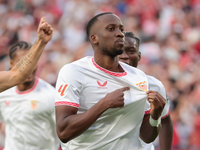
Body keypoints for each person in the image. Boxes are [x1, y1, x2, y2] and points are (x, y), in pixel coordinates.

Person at [55, 12, 166, 150]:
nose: (120, 34)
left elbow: (146, 137)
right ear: (94, 38)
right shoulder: (74, 72)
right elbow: (63, 132)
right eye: (111, 29)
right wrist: (104, 104)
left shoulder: (139, 77)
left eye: (121, 29)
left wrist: (155, 116)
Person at [0, 41, 60, 150]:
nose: (28, 68)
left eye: (32, 62)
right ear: (12, 64)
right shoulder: (3, 93)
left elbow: (62, 131)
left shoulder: (51, 94)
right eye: (22, 63)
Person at [118, 31, 173, 150]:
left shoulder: (154, 85)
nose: (124, 56)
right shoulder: (99, 83)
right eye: (120, 51)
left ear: (139, 56)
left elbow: (165, 120)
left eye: (131, 51)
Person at [0, 17, 53, 93]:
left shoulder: (49, 93)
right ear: (11, 63)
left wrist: (41, 41)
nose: (26, 64)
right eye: (20, 61)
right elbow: (17, 75)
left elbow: (17, 75)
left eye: (32, 61)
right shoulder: (4, 95)